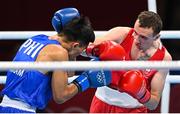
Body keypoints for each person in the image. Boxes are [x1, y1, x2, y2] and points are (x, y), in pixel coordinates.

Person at [0, 8, 114, 113]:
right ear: (75, 45)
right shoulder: (60, 53)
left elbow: (68, 73)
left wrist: (73, 36)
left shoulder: (37, 38)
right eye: (81, 51)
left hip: (5, 105)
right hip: (21, 110)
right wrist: (86, 80)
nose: (79, 55)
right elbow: (61, 96)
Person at [84, 11, 172, 113]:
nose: (136, 40)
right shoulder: (122, 34)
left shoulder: (163, 58)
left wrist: (142, 94)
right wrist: (95, 50)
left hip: (134, 110)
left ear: (156, 37)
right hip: (101, 103)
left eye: (143, 37)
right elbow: (83, 48)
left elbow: (153, 104)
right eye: (135, 32)